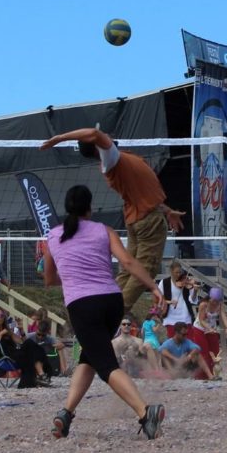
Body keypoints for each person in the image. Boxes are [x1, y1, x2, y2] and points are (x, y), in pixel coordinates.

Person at [42, 184, 166, 440]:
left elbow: (49, 279)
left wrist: (72, 276)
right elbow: (129, 262)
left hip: (83, 304)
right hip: (112, 301)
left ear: (67, 207)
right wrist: (153, 286)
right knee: (90, 357)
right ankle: (66, 414)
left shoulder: (52, 237)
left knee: (105, 364)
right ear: (90, 208)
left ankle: (145, 413)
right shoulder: (103, 230)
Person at [41, 126, 185, 313]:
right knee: (145, 270)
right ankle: (114, 315)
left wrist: (167, 210)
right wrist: (60, 137)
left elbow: (141, 194)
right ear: (96, 146)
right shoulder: (110, 157)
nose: (107, 135)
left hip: (141, 217)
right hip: (147, 221)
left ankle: (107, 306)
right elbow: (93, 133)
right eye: (103, 136)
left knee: (128, 272)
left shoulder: (115, 158)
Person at [160, 261, 197, 337]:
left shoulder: (186, 281)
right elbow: (160, 300)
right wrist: (170, 302)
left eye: (180, 272)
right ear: (171, 271)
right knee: (173, 340)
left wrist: (195, 290)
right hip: (170, 317)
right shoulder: (164, 282)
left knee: (188, 340)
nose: (178, 275)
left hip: (185, 315)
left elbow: (192, 300)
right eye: (176, 272)